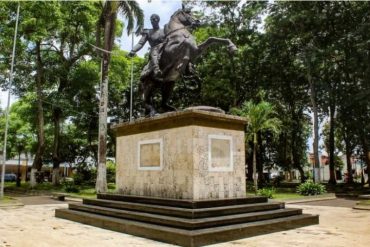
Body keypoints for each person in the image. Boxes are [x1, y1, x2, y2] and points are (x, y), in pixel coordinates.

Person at [128, 14, 165, 80]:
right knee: (154, 53)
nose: (152, 21)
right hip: (155, 50)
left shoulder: (164, 30)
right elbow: (140, 43)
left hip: (164, 48)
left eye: (154, 19)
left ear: (158, 20)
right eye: (151, 20)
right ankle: (156, 70)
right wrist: (133, 50)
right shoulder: (148, 32)